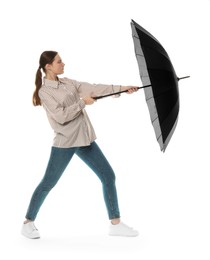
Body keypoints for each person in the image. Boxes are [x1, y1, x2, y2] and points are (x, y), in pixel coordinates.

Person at [21, 51, 139, 239]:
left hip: (84, 139)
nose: (63, 64)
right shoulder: (45, 92)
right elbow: (60, 116)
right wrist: (82, 103)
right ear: (48, 66)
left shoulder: (67, 83)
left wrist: (123, 88)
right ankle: (28, 223)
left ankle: (115, 224)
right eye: (59, 61)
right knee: (48, 183)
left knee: (108, 176)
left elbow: (92, 88)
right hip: (66, 142)